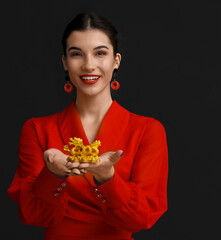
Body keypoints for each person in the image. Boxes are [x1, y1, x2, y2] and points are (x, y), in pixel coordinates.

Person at [7, 12, 168, 240]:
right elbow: (33, 215)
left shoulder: (147, 130)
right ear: (65, 62)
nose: (89, 65)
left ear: (116, 61)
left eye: (100, 53)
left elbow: (142, 218)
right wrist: (53, 174)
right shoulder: (36, 129)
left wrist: (108, 178)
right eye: (76, 54)